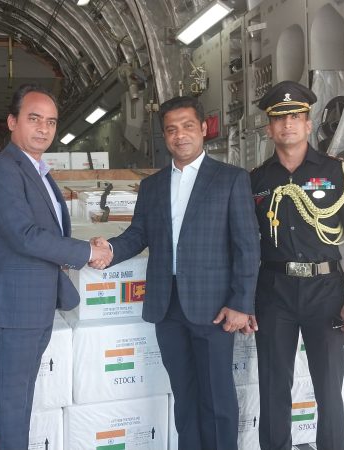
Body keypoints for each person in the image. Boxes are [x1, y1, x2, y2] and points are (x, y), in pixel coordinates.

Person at [91, 95, 260, 450]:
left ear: (203, 129)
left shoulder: (230, 179)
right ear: (164, 136)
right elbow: (138, 234)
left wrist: (241, 303)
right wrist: (110, 250)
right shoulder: (152, 186)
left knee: (217, 397)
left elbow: (247, 246)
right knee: (184, 395)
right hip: (167, 306)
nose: (179, 135)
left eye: (187, 126)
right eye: (171, 129)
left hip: (214, 309)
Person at [0, 83, 111, 449]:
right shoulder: (2, 170)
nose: (43, 129)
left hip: (33, 308)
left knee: (21, 407)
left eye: (51, 122)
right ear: (12, 121)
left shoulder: (38, 171)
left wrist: (87, 246)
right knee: (11, 412)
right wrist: (86, 252)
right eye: (34, 119)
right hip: (12, 312)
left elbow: (45, 233)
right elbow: (25, 235)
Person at [250, 80, 344, 450]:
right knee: (273, 387)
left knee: (329, 388)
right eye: (279, 118)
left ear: (308, 123)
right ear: (269, 128)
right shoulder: (256, 180)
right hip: (274, 290)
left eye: (296, 116)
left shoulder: (336, 173)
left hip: (325, 291)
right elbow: (244, 243)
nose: (287, 124)